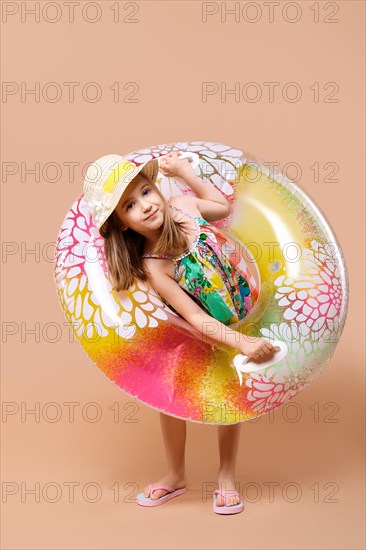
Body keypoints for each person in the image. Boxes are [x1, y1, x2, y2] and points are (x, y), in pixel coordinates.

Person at [83, 151, 277, 514]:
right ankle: (175, 473)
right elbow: (193, 316)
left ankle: (226, 477)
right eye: (129, 205)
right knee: (170, 395)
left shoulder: (185, 206)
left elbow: (221, 205)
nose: (144, 205)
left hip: (246, 306)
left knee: (230, 396)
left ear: (155, 188)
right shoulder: (154, 265)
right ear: (122, 223)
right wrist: (239, 341)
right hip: (202, 329)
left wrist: (187, 172)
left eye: (145, 192)